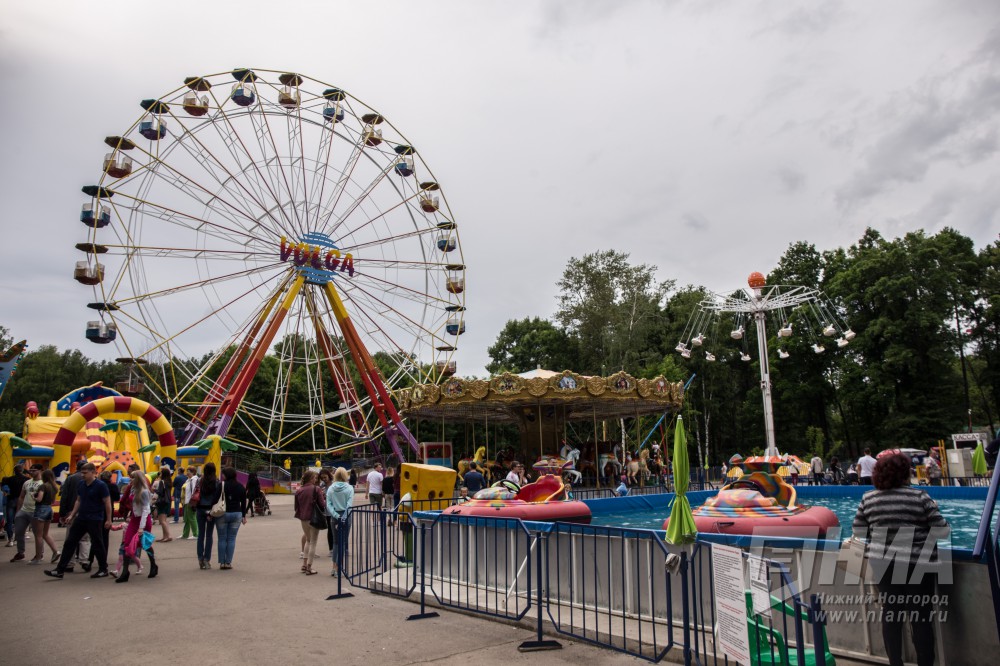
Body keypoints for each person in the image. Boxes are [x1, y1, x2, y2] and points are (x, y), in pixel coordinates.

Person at [852, 452, 950, 666]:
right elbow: (942, 530)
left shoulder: (869, 498)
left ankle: (895, 662)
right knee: (921, 617)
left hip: (883, 563)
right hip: (918, 563)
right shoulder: (920, 496)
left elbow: (858, 529)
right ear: (905, 473)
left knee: (891, 614)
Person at [45, 462, 113, 579]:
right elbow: (78, 500)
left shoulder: (101, 485)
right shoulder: (81, 484)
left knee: (97, 543)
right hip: (81, 518)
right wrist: (72, 515)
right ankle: (60, 570)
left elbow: (107, 502)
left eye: (85, 473)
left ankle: (103, 569)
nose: (82, 475)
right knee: (70, 542)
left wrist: (108, 519)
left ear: (93, 472)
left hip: (95, 519)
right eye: (82, 473)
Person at [114, 469, 156, 583]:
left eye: (133, 477)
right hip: (134, 519)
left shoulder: (144, 491)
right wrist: (130, 513)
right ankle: (125, 572)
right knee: (127, 543)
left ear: (138, 479)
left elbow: (146, 510)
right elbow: (132, 504)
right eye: (130, 477)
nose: (130, 479)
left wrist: (141, 527)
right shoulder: (133, 488)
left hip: (143, 520)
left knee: (145, 544)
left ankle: (153, 565)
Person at [85, 471, 119, 573]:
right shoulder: (113, 486)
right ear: (110, 478)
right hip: (108, 512)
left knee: (95, 537)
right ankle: (104, 559)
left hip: (97, 512)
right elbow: (117, 498)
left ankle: (90, 560)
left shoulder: (97, 485)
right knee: (105, 537)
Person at [215, 467, 247, 570]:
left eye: (223, 474)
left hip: (223, 513)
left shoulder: (221, 485)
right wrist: (244, 516)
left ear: (226, 475)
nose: (222, 476)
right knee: (232, 538)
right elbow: (243, 502)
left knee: (222, 538)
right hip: (236, 513)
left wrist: (211, 513)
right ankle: (228, 562)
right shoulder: (240, 486)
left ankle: (222, 562)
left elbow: (215, 499)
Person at [11, 464, 43, 563]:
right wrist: (18, 511)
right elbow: (21, 496)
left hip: (36, 511)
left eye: (34, 470)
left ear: (40, 471)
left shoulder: (43, 483)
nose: (31, 472)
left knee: (38, 534)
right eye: (30, 470)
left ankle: (39, 553)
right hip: (24, 510)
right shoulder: (27, 482)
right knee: (18, 532)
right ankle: (20, 552)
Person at [325, 467, 354, 577]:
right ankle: (338, 568)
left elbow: (328, 504)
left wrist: (336, 515)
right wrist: (344, 517)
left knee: (336, 542)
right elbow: (349, 505)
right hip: (346, 516)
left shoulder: (331, 488)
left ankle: (333, 567)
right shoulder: (349, 488)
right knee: (342, 542)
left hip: (334, 516)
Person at [294, 470, 323, 575]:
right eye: (314, 478)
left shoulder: (299, 490)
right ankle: (309, 567)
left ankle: (304, 564)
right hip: (314, 518)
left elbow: (296, 507)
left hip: (303, 518)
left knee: (308, 540)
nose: (316, 479)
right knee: (313, 542)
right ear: (311, 478)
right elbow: (322, 505)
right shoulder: (316, 489)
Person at [29, 469, 60, 564]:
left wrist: (33, 496)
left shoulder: (43, 486)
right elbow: (53, 501)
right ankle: (56, 551)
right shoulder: (54, 487)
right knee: (45, 533)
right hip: (49, 509)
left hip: (41, 509)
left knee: (38, 535)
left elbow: (39, 499)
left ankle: (38, 558)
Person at [195, 462, 222, 570]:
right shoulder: (216, 482)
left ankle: (200, 558)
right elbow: (217, 496)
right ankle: (207, 559)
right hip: (211, 510)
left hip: (200, 508)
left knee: (200, 534)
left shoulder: (199, 480)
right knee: (209, 535)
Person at [3, 464, 27, 547]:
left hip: (11, 500)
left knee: (9, 521)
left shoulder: (9, 479)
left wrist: (6, 491)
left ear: (14, 471)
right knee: (20, 520)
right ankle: (17, 538)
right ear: (22, 471)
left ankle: (10, 540)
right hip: (22, 501)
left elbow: (3, 482)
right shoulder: (26, 479)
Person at [59, 461, 84, 527]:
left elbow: (64, 496)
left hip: (71, 510)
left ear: (77, 467)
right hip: (87, 511)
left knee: (71, 530)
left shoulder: (71, 478)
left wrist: (62, 513)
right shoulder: (92, 479)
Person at [152, 468, 173, 542]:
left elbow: (160, 492)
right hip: (167, 501)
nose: (160, 474)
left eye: (161, 473)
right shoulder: (169, 481)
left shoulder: (162, 482)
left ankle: (168, 536)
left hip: (162, 502)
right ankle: (165, 536)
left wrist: (154, 490)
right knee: (164, 520)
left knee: (162, 521)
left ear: (163, 474)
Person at [182, 465, 199, 539]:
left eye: (188, 471)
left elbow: (194, 491)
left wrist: (192, 501)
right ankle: (185, 534)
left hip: (191, 501)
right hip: (187, 501)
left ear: (193, 472)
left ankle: (196, 534)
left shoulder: (194, 480)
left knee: (192, 518)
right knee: (186, 518)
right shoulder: (188, 480)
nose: (187, 473)